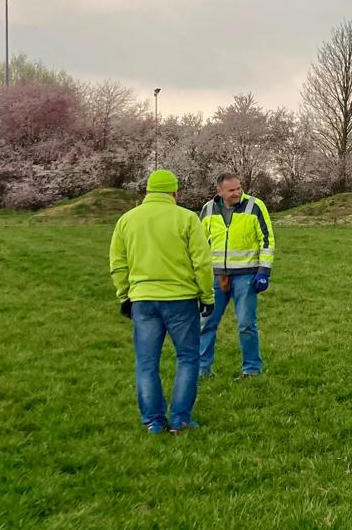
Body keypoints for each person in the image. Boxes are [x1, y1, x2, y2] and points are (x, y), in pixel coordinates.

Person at [109, 169, 215, 434]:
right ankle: (181, 419)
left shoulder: (127, 220)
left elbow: (118, 263)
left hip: (143, 300)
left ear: (147, 191)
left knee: (147, 363)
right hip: (181, 299)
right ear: (175, 193)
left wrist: (125, 295)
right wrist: (207, 296)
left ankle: (153, 421)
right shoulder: (187, 218)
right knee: (188, 358)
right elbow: (202, 262)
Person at [197, 172, 275, 378]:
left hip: (246, 276)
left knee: (246, 324)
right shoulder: (208, 209)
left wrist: (263, 271)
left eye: (239, 188)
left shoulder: (255, 206)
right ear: (219, 191)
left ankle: (252, 369)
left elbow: (267, 240)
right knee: (206, 323)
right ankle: (202, 369)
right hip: (215, 276)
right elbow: (199, 244)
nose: (237, 193)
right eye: (231, 190)